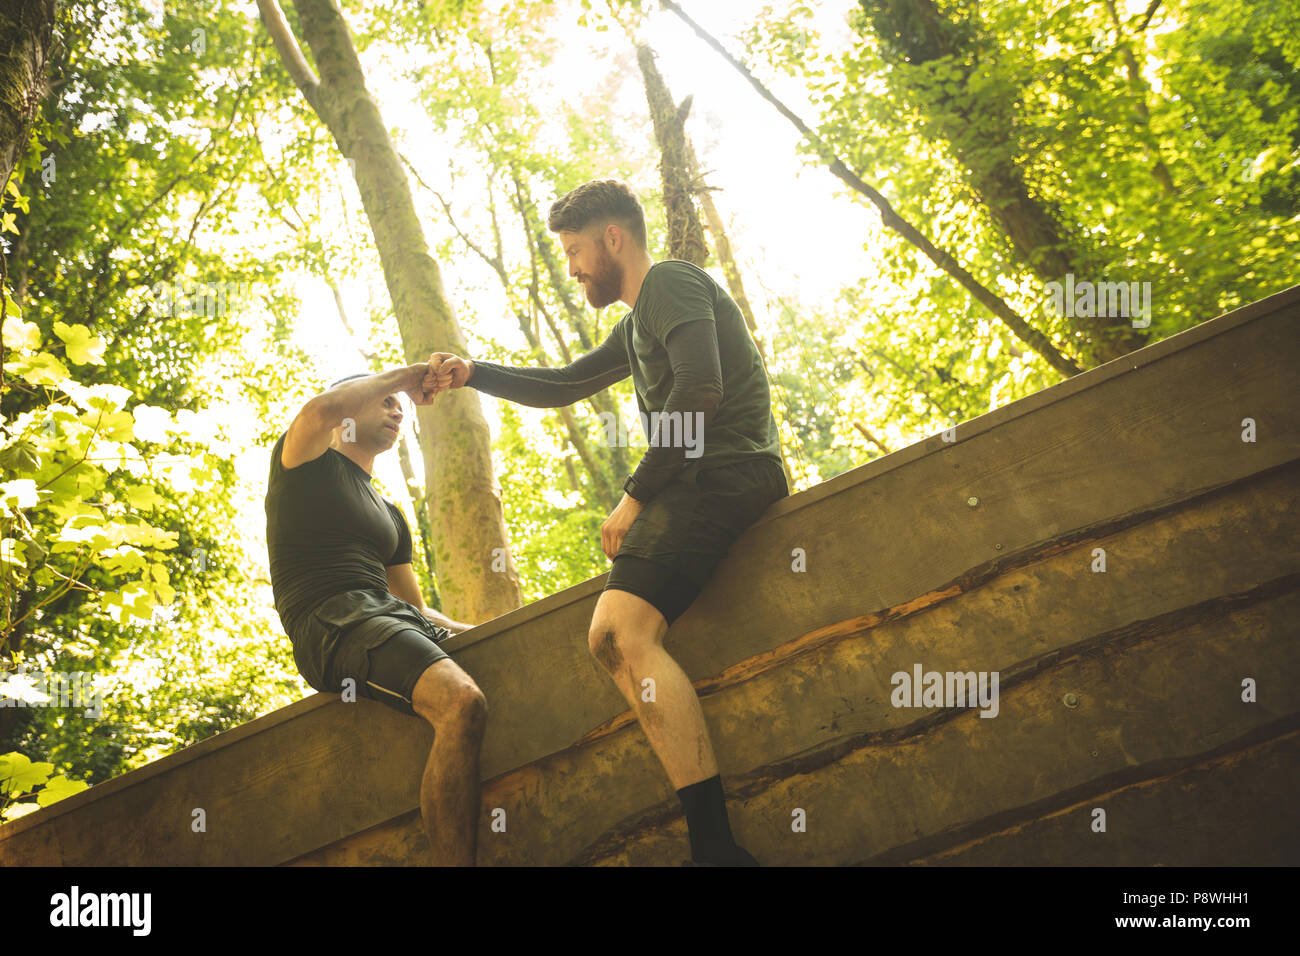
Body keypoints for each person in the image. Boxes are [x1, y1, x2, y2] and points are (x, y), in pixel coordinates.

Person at [428, 179, 789, 866]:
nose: (571, 268)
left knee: (617, 632)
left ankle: (717, 851)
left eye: (574, 252)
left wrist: (635, 494)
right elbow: (563, 383)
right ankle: (716, 848)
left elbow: (702, 390)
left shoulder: (672, 284)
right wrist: (472, 373)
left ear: (613, 239)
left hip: (726, 470)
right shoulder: (638, 321)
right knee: (615, 637)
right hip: (701, 479)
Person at [264, 362, 485, 866]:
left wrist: (482, 631)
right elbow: (323, 408)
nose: (397, 409)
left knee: (489, 668)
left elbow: (415, 609)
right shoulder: (302, 459)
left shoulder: (390, 515)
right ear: (352, 404)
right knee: (461, 701)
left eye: (400, 405)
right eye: (385, 400)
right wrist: (406, 376)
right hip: (332, 623)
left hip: (390, 618)